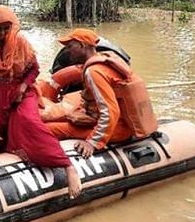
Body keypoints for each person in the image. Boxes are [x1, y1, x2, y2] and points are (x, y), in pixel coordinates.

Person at [0, 5, 81, 198]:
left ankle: (67, 166)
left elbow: (34, 69)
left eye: (6, 28)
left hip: (20, 92)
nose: (2, 33)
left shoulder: (20, 42)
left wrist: (23, 88)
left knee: (29, 122)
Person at [45, 28, 146, 158]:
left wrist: (92, 143)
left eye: (70, 46)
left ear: (82, 45)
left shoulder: (93, 72)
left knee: (47, 129)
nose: (67, 51)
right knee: (61, 119)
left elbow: (110, 111)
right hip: (116, 123)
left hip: (117, 130)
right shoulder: (102, 61)